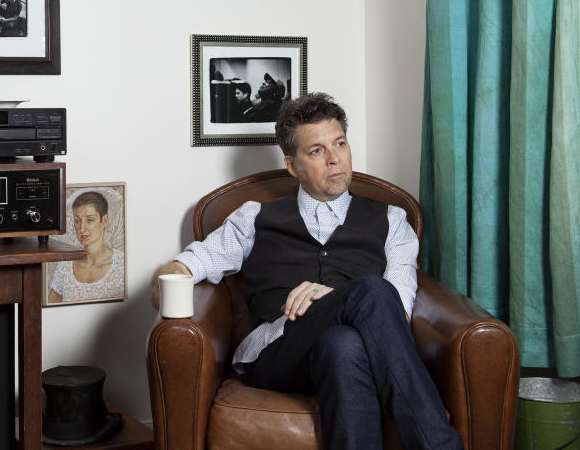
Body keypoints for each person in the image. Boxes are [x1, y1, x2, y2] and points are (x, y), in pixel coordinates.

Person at [149, 93, 463, 450]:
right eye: (316, 151)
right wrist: (169, 276)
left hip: (352, 355)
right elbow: (191, 263)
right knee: (372, 291)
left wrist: (330, 300)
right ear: (292, 165)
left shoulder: (392, 221)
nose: (334, 159)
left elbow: (399, 313)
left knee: (342, 343)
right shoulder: (254, 217)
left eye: (340, 144)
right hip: (280, 354)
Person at [48, 191, 125, 303]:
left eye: (90, 220)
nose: (82, 228)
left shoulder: (122, 265)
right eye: (77, 221)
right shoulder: (65, 267)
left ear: (104, 220)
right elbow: (51, 311)